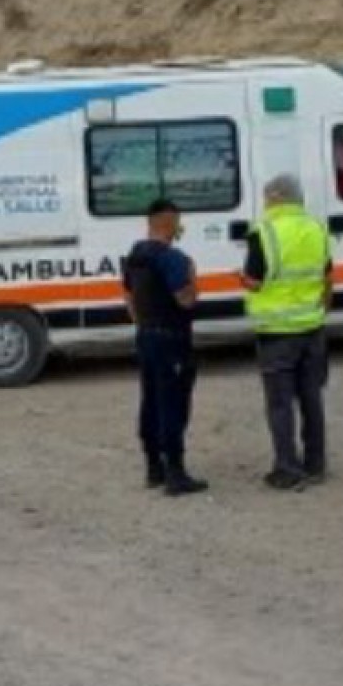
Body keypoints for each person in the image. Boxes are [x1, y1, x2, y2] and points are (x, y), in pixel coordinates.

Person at [241, 174, 334, 491]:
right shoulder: (317, 228)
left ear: (276, 197)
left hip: (276, 331)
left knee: (280, 404)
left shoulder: (263, 231)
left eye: (266, 197)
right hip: (312, 326)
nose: (264, 203)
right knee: (311, 399)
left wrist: (240, 279)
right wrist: (321, 311)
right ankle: (316, 463)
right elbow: (327, 277)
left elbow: (255, 282)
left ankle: (287, 468)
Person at [123, 199, 208, 496]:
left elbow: (129, 298)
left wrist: (143, 323)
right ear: (171, 223)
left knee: (151, 401)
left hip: (146, 335)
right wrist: (193, 279)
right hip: (172, 338)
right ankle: (176, 472)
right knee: (173, 404)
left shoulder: (135, 255)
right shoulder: (173, 259)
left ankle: (153, 468)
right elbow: (186, 300)